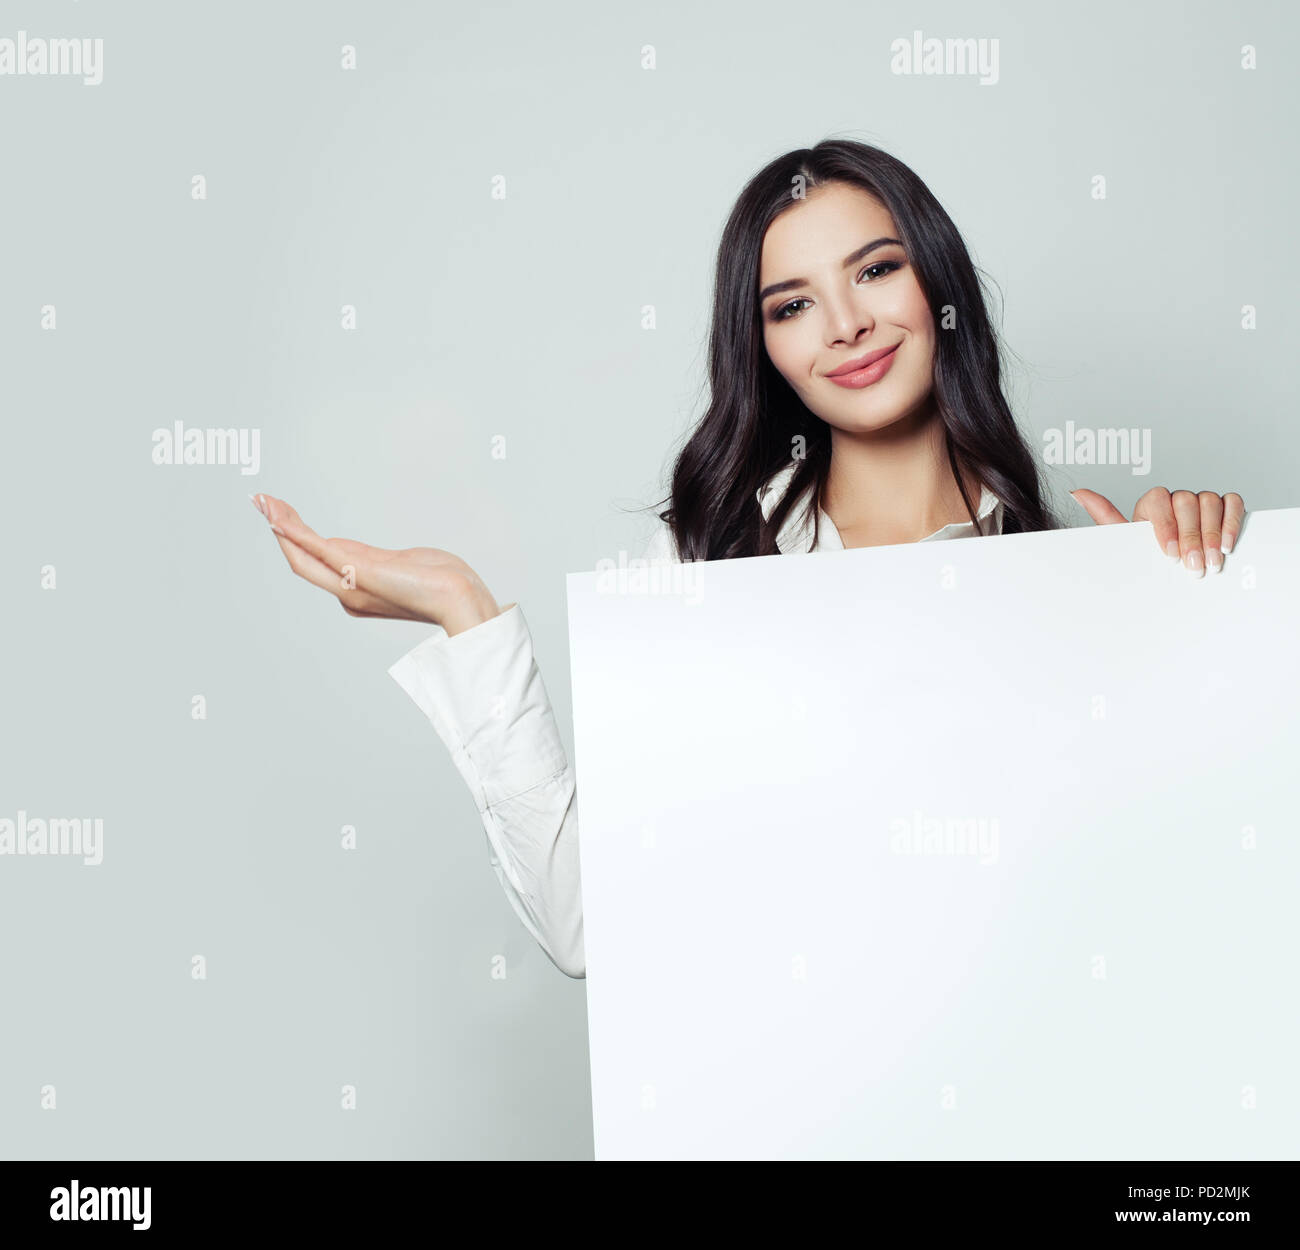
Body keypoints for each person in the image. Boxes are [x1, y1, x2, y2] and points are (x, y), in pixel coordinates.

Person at [250, 139, 1246, 981]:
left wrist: (1183, 600)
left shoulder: (1074, 574)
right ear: (761, 345)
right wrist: (465, 614)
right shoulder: (706, 570)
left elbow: (1165, 904)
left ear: (937, 281)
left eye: (874, 269)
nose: (846, 325)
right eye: (790, 305)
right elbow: (590, 924)